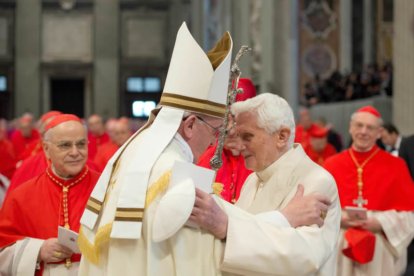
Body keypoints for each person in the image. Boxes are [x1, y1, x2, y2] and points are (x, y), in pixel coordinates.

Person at [78, 23, 332, 276]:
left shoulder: (138, 156)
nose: (214, 143)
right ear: (190, 125)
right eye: (215, 131)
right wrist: (284, 219)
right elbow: (205, 251)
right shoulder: (173, 175)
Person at [192, 93, 341, 275]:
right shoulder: (253, 179)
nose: (239, 145)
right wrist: (284, 217)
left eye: (247, 136)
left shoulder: (316, 181)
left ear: (282, 136)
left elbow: (304, 256)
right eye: (238, 136)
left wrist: (228, 228)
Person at [0, 114, 100, 275]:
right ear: (46, 149)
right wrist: (37, 250)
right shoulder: (21, 196)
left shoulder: (107, 188)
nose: (75, 152)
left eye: (81, 144)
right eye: (65, 145)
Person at [323, 106, 414, 276]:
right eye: (359, 125)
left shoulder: (396, 166)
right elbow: (316, 209)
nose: (363, 132)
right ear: (351, 127)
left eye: (370, 128)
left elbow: (409, 215)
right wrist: (339, 219)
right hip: (340, 244)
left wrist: (380, 223)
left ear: (379, 132)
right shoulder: (331, 164)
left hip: (380, 245)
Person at [197, 78, 256, 203]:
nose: (231, 130)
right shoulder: (205, 159)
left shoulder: (262, 162)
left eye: (236, 120)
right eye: (226, 120)